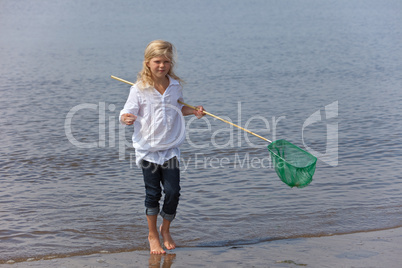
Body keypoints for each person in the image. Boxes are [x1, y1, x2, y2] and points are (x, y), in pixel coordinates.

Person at [119, 40, 204, 254]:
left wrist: (193, 111)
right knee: (153, 193)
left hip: (170, 148)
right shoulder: (139, 89)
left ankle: (165, 229)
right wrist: (126, 118)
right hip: (148, 149)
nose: (162, 66)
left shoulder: (175, 85)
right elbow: (126, 113)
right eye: (157, 61)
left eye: (166, 61)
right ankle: (152, 235)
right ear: (148, 63)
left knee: (174, 192)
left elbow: (179, 108)